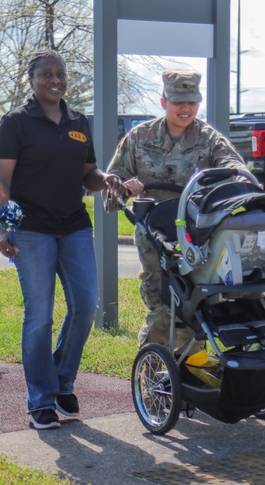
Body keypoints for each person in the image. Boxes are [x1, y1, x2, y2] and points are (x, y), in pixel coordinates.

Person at [0, 49, 126, 430]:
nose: (55, 80)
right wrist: (5, 227)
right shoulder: (16, 123)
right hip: (31, 229)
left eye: (61, 74)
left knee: (85, 305)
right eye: (46, 74)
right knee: (39, 315)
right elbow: (2, 183)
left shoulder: (78, 121)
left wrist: (108, 180)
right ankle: (41, 401)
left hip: (74, 225)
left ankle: (62, 379)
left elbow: (88, 175)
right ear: (31, 81)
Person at [105, 69, 245, 349]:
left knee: (198, 302)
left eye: (192, 102)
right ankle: (154, 372)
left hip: (198, 234)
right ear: (163, 102)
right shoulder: (139, 137)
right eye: (178, 102)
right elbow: (110, 184)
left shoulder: (209, 138)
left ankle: (194, 370)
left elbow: (233, 165)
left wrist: (243, 180)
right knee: (163, 304)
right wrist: (124, 187)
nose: (185, 109)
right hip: (155, 234)